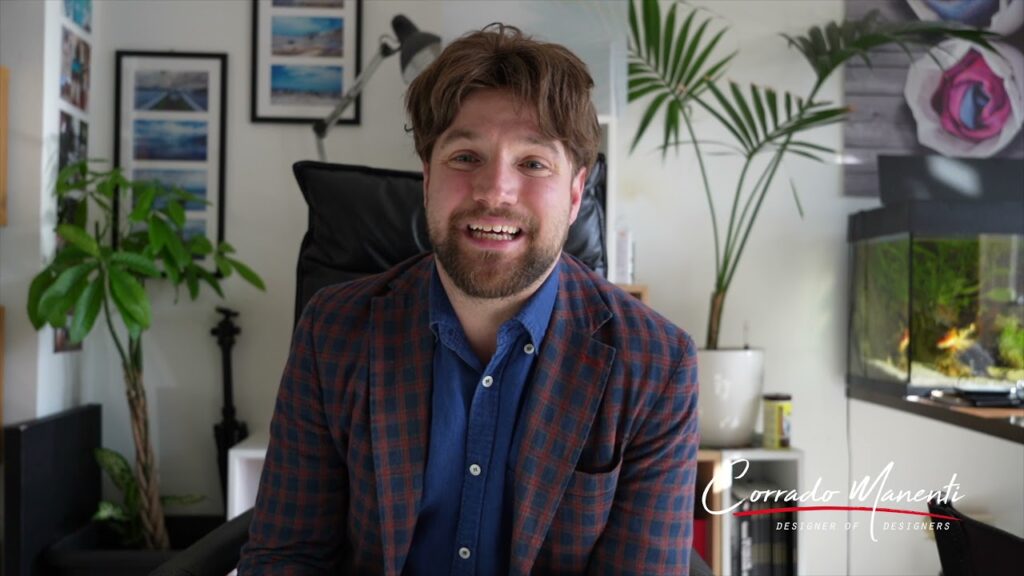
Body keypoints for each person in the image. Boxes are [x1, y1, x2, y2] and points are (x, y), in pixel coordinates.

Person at [239, 23, 699, 575]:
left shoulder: (656, 365)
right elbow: (288, 557)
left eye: (532, 163)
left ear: (576, 194)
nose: (493, 191)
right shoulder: (334, 332)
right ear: (427, 175)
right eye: (464, 158)